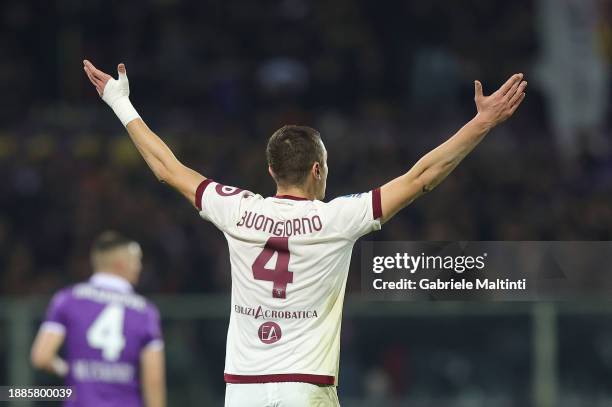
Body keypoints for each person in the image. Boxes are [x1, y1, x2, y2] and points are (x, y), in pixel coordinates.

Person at [83, 59, 526, 406]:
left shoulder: (236, 209)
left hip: (243, 390)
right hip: (305, 388)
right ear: (318, 169)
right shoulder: (338, 219)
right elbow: (421, 177)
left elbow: (167, 168)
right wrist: (481, 123)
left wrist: (120, 103)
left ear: (272, 170)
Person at [30, 231, 166, 407]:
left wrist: (69, 371)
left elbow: (41, 357)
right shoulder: (145, 312)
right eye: (136, 260)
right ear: (121, 264)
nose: (139, 266)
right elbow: (153, 382)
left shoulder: (68, 299)